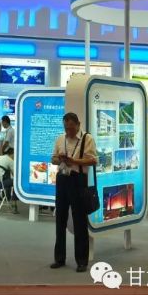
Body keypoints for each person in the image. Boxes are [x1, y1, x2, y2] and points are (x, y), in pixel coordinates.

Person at [50, 112, 97, 273]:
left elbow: (93, 160)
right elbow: (53, 159)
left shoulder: (87, 139)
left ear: (78, 125)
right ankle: (59, 258)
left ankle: (82, 261)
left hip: (78, 180)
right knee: (60, 219)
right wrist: (60, 159)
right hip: (62, 179)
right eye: (66, 128)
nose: (68, 131)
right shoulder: (60, 139)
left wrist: (74, 161)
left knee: (79, 221)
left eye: (71, 128)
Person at [0, 147, 17, 212]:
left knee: (1, 176)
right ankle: (14, 204)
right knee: (16, 182)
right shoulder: (10, 160)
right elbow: (15, 175)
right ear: (13, 154)